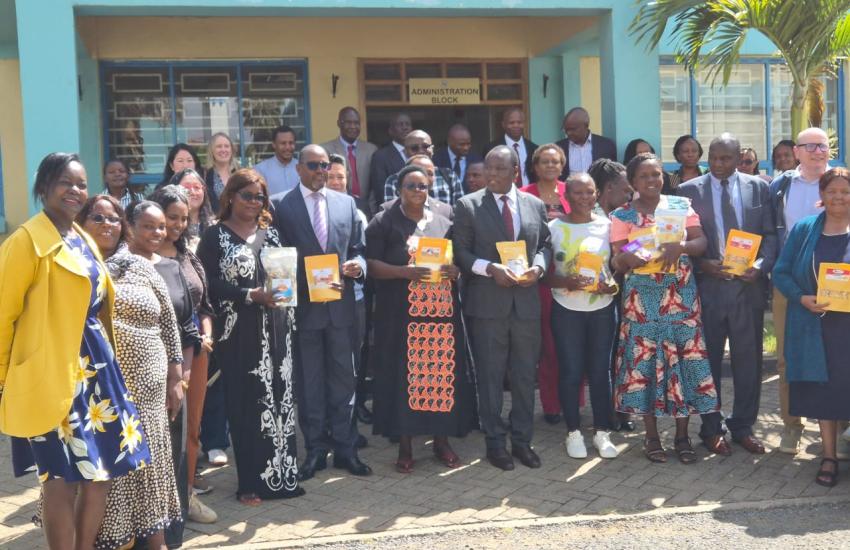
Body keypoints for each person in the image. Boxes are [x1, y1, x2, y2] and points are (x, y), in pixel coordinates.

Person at [2, 154, 149, 550]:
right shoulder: (26, 242)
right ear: (45, 186)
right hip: (52, 375)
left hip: (96, 370)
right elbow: (3, 317)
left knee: (100, 472)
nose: (76, 191)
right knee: (60, 479)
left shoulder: (79, 237)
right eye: (66, 182)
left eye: (82, 184)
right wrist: (3, 380)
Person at [197, 169, 303, 504]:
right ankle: (249, 483)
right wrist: (248, 294)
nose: (254, 203)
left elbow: (284, 276)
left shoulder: (271, 233)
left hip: (278, 331)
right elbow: (208, 284)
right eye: (247, 196)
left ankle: (282, 477)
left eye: (260, 197)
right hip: (238, 335)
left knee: (281, 403)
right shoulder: (214, 237)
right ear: (230, 196)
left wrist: (283, 291)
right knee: (247, 405)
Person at [366, 165, 477, 473]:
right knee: (404, 377)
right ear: (399, 189)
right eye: (411, 186)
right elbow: (372, 265)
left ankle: (441, 440)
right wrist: (405, 272)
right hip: (400, 315)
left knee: (438, 375)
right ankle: (405, 446)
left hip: (439, 314)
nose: (417, 191)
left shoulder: (445, 216)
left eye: (423, 186)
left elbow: (457, 256)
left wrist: (455, 271)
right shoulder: (383, 220)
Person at [609, 152, 717, 465]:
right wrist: (628, 258)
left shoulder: (680, 207)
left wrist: (681, 246)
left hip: (681, 299)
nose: (652, 181)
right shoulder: (623, 216)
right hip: (642, 304)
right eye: (644, 176)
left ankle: (682, 437)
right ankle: (652, 437)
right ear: (632, 182)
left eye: (656, 174)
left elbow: (701, 242)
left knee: (683, 362)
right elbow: (617, 259)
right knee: (645, 366)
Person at [272, 145, 372, 480]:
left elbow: (359, 249)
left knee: (345, 380)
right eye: (313, 165)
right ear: (298, 169)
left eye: (325, 165)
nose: (319, 171)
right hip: (304, 311)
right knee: (310, 384)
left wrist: (357, 266)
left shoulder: (347, 203)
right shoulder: (279, 204)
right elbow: (276, 257)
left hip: (342, 309)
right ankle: (315, 449)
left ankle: (346, 448)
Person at [453, 145, 552, 471]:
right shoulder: (468, 206)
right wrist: (489, 268)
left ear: (515, 172)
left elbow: (546, 246)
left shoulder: (534, 204)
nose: (491, 175)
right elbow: (461, 253)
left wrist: (537, 269)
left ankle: (523, 441)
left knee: (525, 377)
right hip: (487, 306)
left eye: (499, 169)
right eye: (488, 169)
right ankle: (495, 443)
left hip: (525, 305)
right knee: (491, 378)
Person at [678, 134, 777, 456]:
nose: (718, 165)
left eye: (725, 159)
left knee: (749, 362)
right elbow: (681, 242)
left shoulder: (760, 187)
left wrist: (760, 267)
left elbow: (771, 236)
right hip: (709, 289)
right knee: (708, 362)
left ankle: (743, 427)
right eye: (714, 158)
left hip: (747, 288)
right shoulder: (688, 192)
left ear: (739, 158)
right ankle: (710, 428)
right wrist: (702, 265)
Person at [95, 201, 186, 549]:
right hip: (98, 393)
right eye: (97, 218)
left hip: (148, 394)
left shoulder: (141, 266)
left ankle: (154, 540)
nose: (107, 224)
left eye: (113, 219)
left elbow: (169, 324)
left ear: (124, 227)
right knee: (110, 466)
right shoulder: (76, 265)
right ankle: (110, 539)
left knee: (150, 465)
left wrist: (175, 379)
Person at [773, 167, 850, 487]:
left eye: (845, 192)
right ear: (821, 195)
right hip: (816, 326)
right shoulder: (805, 229)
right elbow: (781, 272)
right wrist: (801, 297)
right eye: (831, 191)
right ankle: (829, 456)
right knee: (825, 392)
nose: (838, 197)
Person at [148, 185, 218, 524]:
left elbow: (205, 305)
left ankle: (186, 496)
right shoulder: (138, 256)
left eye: (182, 219)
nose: (175, 225)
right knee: (158, 431)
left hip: (195, 353)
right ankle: (156, 508)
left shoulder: (189, 257)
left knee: (191, 429)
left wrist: (207, 332)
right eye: (170, 217)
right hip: (152, 355)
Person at [547, 173, 619, 459]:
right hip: (566, 309)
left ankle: (602, 432)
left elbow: (617, 265)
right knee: (571, 372)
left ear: (597, 193)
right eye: (578, 193)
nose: (585, 198)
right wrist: (565, 281)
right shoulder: (552, 227)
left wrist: (612, 284)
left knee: (601, 372)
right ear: (566, 196)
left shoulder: (608, 225)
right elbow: (544, 276)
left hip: (602, 309)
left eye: (590, 192)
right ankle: (573, 432)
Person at [769, 127, 830, 455]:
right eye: (811, 146)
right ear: (797, 152)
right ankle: (792, 427)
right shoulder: (780, 187)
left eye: (823, 146)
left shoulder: (841, 181)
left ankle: (838, 428)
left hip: (837, 283)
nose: (819, 152)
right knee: (786, 359)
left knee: (837, 355)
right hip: (790, 283)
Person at [519, 143, 571, 425]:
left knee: (568, 344)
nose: (550, 166)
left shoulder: (572, 191)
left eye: (555, 162)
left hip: (570, 276)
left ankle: (572, 402)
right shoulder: (524, 195)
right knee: (547, 343)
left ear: (562, 166)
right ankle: (551, 405)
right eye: (545, 162)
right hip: (537, 276)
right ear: (535, 166)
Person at [587, 158, 636, 433]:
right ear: (607, 189)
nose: (629, 195)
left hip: (624, 294)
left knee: (622, 354)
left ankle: (621, 410)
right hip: (594, 298)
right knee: (601, 357)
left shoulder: (626, 217)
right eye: (625, 190)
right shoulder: (589, 218)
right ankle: (604, 412)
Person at [327, 154, 373, 437]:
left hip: (353, 299)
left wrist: (359, 265)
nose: (335, 181)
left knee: (353, 361)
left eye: (340, 177)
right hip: (320, 300)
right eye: (331, 176)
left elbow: (364, 252)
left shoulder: (357, 213)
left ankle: (351, 419)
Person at [320, 107, 378, 215]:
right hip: (335, 208)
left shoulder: (371, 150)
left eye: (356, 123)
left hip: (366, 209)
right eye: (348, 122)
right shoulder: (325, 150)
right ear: (339, 123)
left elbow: (375, 184)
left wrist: (371, 208)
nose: (353, 127)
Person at [383, 130, 464, 206]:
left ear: (432, 149)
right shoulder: (394, 181)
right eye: (414, 148)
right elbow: (393, 214)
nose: (421, 151)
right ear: (405, 152)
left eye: (425, 147)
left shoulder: (449, 176)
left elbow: (459, 213)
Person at [555, 107, 617, 179]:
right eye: (566, 130)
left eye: (572, 129)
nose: (568, 133)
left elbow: (613, 175)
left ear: (586, 126)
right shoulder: (558, 148)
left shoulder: (606, 146)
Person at [484, 107, 538, 186]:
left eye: (519, 122)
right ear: (503, 124)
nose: (516, 125)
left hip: (528, 193)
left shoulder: (534, 148)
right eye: (511, 123)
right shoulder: (492, 148)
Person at [370, 113, 412, 212]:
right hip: (394, 212)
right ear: (391, 131)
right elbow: (381, 191)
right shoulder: (380, 156)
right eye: (400, 124)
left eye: (407, 124)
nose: (405, 127)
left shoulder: (420, 152)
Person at [168, 168, 215, 246]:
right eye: (186, 188)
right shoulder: (168, 226)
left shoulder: (214, 226)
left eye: (196, 187)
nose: (192, 192)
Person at [433, 123, 483, 192]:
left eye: (468, 144)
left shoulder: (476, 160)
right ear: (449, 142)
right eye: (461, 144)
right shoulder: (437, 159)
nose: (466, 148)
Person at [254, 125, 299, 195]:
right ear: (274, 145)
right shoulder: (261, 170)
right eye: (283, 143)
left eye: (291, 143)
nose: (287, 147)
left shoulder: (303, 168)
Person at [203, 132, 240, 213]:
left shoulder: (241, 174)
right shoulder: (204, 175)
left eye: (226, 146)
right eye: (219, 146)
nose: (223, 150)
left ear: (231, 149)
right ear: (212, 151)